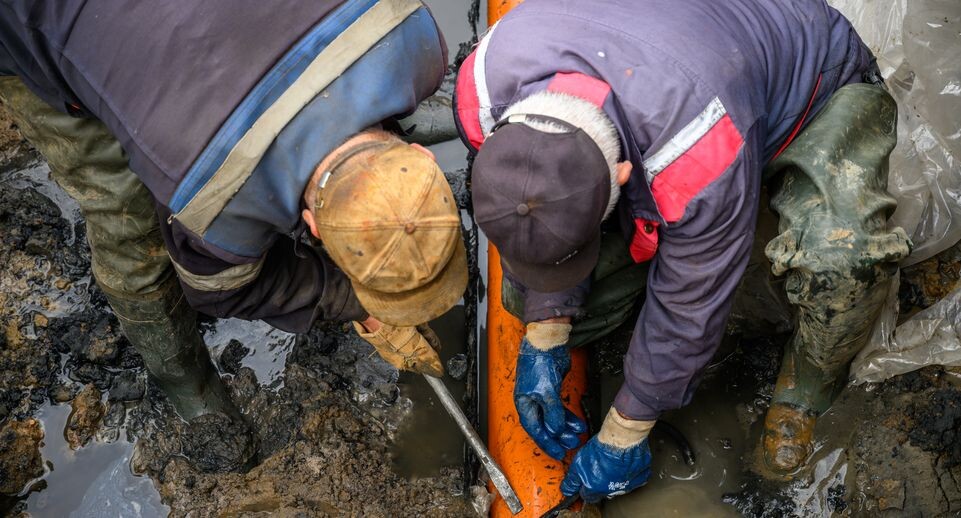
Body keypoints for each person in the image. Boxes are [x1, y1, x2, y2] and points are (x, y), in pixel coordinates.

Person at [454, 0, 910, 502]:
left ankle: (807, 387)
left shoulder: (697, 151)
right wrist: (545, 331)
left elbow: (691, 303)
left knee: (840, 261)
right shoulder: (482, 90)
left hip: (813, 85)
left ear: (623, 177)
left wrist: (626, 430)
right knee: (535, 304)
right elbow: (534, 208)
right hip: (673, 79)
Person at [0, 0, 466, 471]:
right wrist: (356, 302)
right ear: (312, 228)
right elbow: (222, 290)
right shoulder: (207, 198)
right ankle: (185, 380)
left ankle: (357, 125)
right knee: (126, 214)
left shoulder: (409, 33)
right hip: (35, 18)